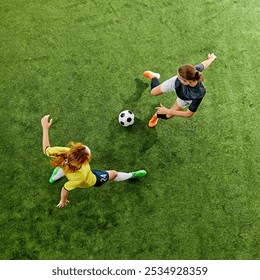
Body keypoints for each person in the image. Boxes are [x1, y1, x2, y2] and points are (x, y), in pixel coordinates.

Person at [41, 115, 147, 208]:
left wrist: (45, 128)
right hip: (92, 179)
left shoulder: (66, 152)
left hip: (66, 166)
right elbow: (65, 189)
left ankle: (54, 177)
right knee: (113, 174)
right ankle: (131, 175)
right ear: (83, 162)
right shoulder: (80, 177)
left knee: (63, 166)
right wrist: (63, 200)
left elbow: (46, 149)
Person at [143, 53, 217, 127]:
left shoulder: (199, 93)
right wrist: (211, 58)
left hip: (185, 98)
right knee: (153, 92)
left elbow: (189, 114)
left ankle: (156, 115)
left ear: (187, 82)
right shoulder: (193, 72)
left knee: (168, 115)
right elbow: (204, 64)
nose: (177, 78)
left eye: (179, 78)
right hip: (174, 84)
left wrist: (168, 111)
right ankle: (154, 77)